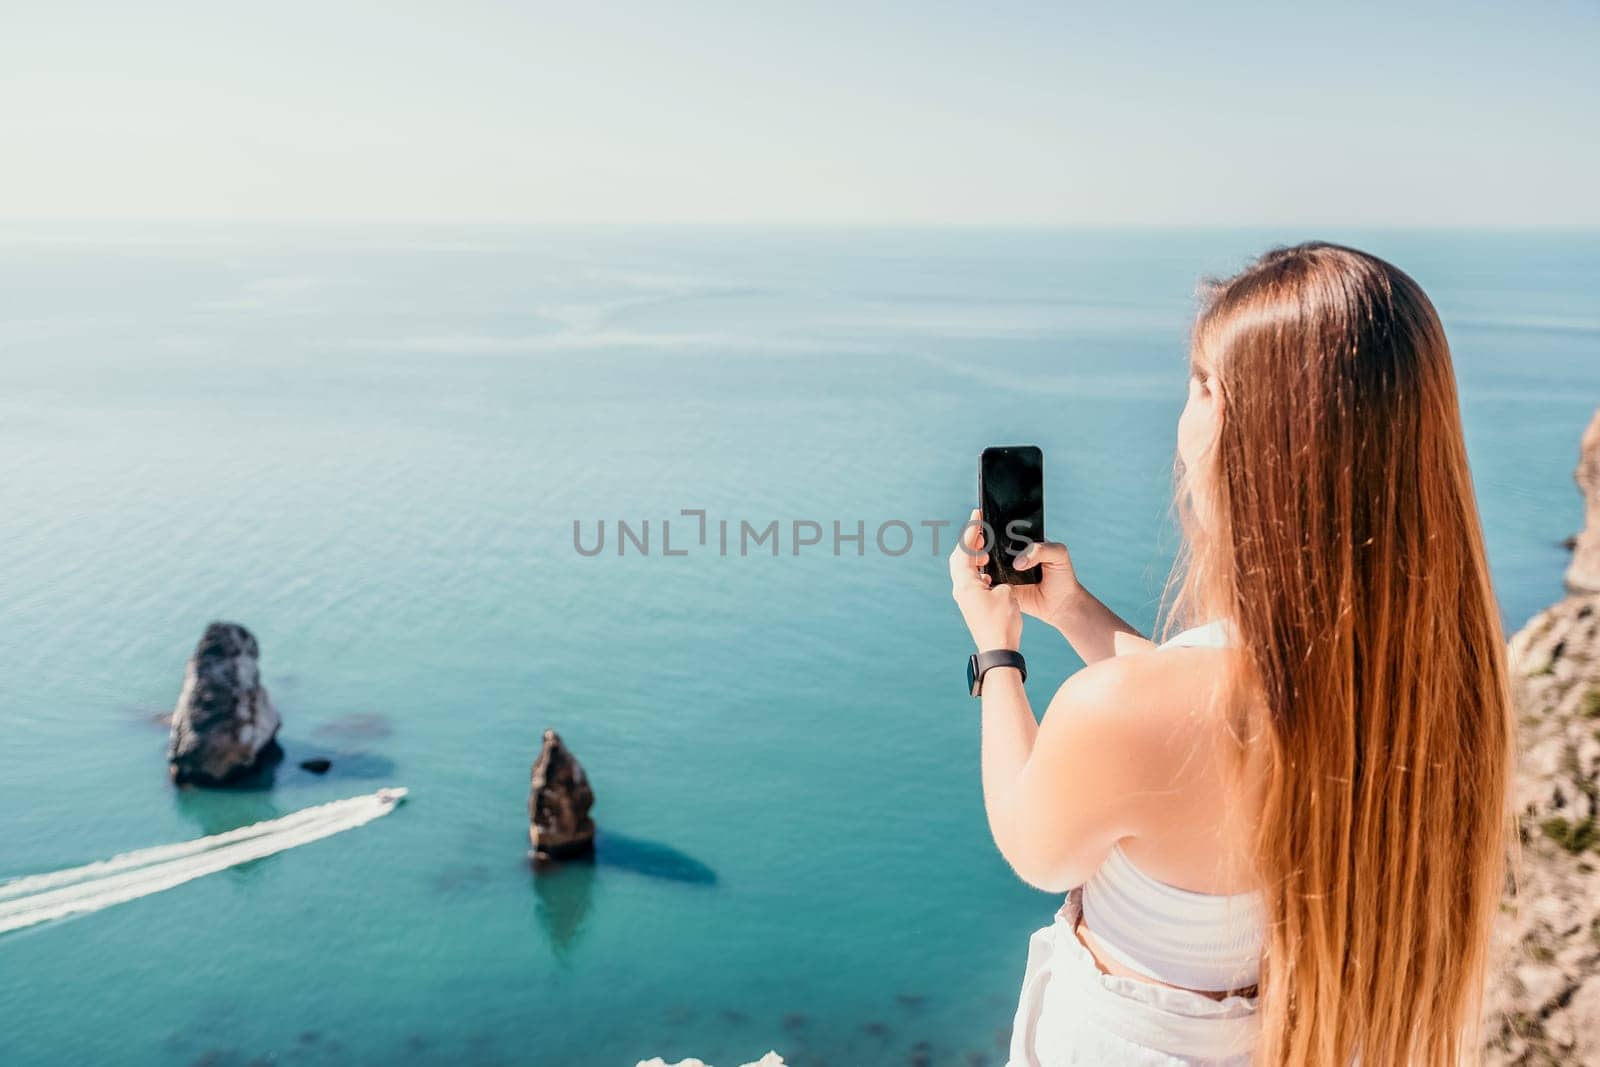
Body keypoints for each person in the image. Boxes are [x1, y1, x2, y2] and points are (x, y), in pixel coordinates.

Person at [949, 243, 1514, 1066]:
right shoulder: (1431, 686)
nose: (1187, 405)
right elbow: (1227, 720)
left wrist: (997, 654)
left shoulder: (1128, 710)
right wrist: (1071, 609)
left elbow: (1034, 843)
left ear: (1258, 437)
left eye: (1204, 381)